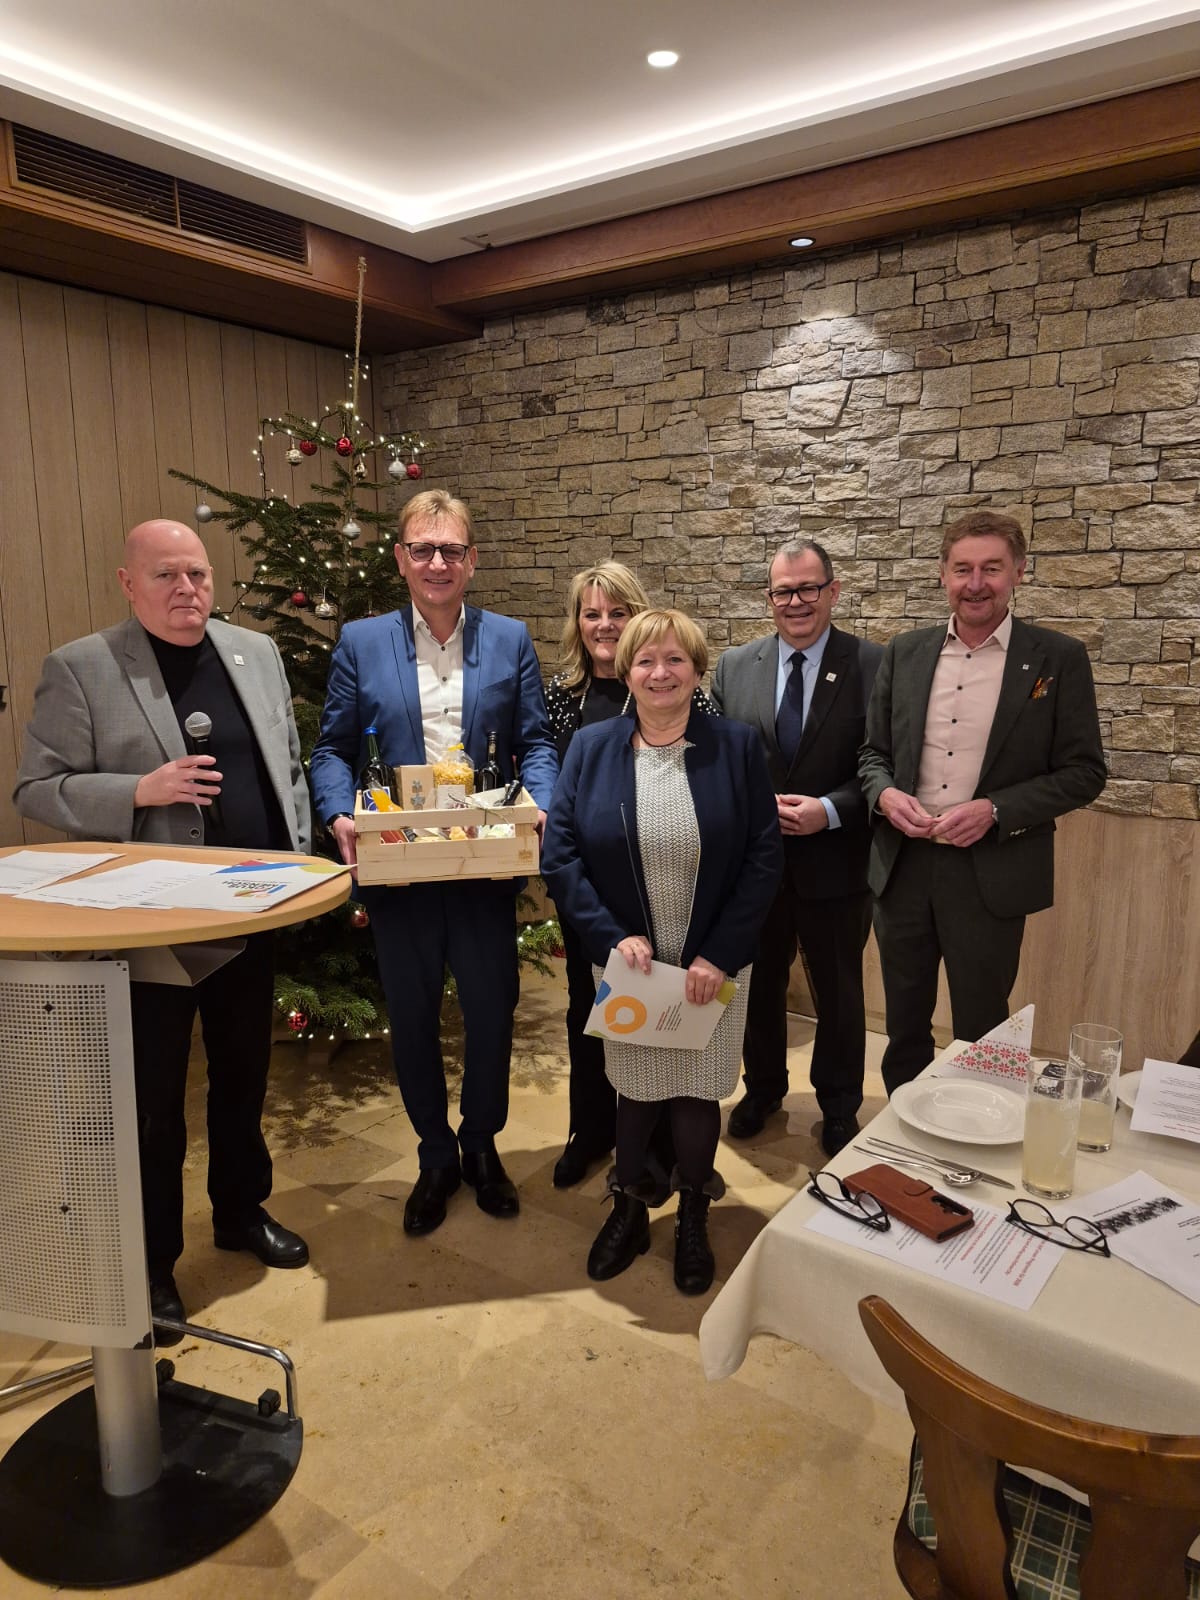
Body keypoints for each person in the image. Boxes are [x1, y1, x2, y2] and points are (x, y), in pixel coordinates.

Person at [14, 519, 313, 1341]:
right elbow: (36, 788)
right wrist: (137, 792)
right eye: (167, 576)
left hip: (250, 909)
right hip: (150, 929)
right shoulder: (82, 667)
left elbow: (285, 764)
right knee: (152, 1106)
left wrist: (298, 861)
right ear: (128, 583)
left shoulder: (254, 652)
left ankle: (241, 1212)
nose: (187, 590)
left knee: (245, 1075)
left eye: (198, 574)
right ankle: (150, 1264)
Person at [310, 489, 557, 1237]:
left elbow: (536, 743)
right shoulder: (362, 642)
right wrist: (339, 814)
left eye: (451, 549)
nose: (438, 563)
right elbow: (332, 749)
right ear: (401, 559)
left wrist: (542, 803)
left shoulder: (509, 639)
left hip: (484, 863)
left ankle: (481, 1144)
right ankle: (434, 1155)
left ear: (472, 560)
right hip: (399, 866)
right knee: (413, 1018)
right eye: (423, 549)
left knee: (491, 1012)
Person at [542, 609, 782, 1295]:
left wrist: (720, 953)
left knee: (697, 1090)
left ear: (697, 670)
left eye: (676, 659)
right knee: (635, 1087)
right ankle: (628, 1208)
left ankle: (694, 1214)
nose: (660, 673)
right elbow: (561, 855)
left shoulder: (736, 747)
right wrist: (609, 936)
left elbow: (764, 857)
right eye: (646, 660)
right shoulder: (591, 748)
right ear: (626, 671)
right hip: (630, 961)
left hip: (711, 961)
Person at [859, 509, 1107, 1094]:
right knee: (903, 1024)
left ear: (1018, 571)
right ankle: (903, 1128)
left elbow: (1085, 772)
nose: (976, 584)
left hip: (991, 871)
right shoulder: (904, 652)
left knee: (982, 1027)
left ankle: (980, 1132)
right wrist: (886, 795)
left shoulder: (1057, 658)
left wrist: (995, 809)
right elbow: (872, 754)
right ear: (942, 573)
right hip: (903, 866)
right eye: (963, 569)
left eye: (991, 568)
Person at [545, 561, 716, 1187]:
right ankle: (592, 1131)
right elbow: (549, 781)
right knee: (590, 1009)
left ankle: (665, 1142)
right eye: (592, 613)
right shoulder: (561, 697)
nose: (605, 625)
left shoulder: (674, 688)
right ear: (577, 622)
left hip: (667, 882)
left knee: (667, 1011)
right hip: (592, 894)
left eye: (618, 612)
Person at [711, 538, 882, 1157]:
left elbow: (885, 764)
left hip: (838, 864)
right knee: (757, 986)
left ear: (832, 591)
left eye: (809, 588)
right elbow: (722, 762)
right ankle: (762, 1090)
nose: (797, 602)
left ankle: (838, 1105)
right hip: (757, 867)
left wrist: (829, 810)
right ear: (769, 598)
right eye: (784, 591)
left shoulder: (874, 664)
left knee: (839, 993)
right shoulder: (735, 667)